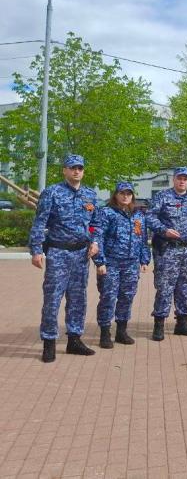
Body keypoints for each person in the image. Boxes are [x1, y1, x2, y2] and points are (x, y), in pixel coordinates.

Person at [29, 154, 100, 362]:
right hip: (59, 252)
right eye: (72, 168)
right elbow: (39, 222)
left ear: (83, 171)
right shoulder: (52, 192)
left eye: (80, 168)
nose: (76, 171)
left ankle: (74, 340)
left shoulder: (90, 195)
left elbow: (96, 223)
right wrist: (36, 250)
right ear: (65, 170)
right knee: (53, 298)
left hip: (81, 254)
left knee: (78, 298)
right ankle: (49, 343)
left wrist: (95, 242)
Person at [146, 167, 187, 341]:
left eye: (185, 179)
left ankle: (182, 323)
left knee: (186, 287)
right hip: (168, 250)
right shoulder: (162, 197)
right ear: (173, 180)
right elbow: (150, 217)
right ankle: (159, 324)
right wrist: (163, 230)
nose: (182, 181)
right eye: (179, 178)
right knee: (164, 287)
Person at [93, 181, 151, 348]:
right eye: (122, 193)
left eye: (129, 193)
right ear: (116, 195)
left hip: (131, 264)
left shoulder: (138, 215)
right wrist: (100, 262)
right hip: (111, 263)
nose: (125, 196)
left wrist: (144, 259)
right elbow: (98, 238)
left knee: (127, 297)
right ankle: (105, 333)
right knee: (108, 297)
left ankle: (121, 331)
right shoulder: (106, 213)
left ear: (132, 196)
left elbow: (143, 239)